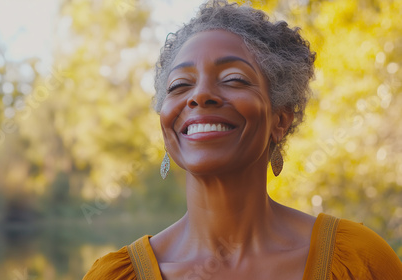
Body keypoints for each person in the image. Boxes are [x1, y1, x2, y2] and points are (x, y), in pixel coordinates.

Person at [83, 1, 402, 279]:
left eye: (233, 79)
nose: (200, 95)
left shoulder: (357, 262)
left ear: (280, 119)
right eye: (180, 85)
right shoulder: (118, 276)